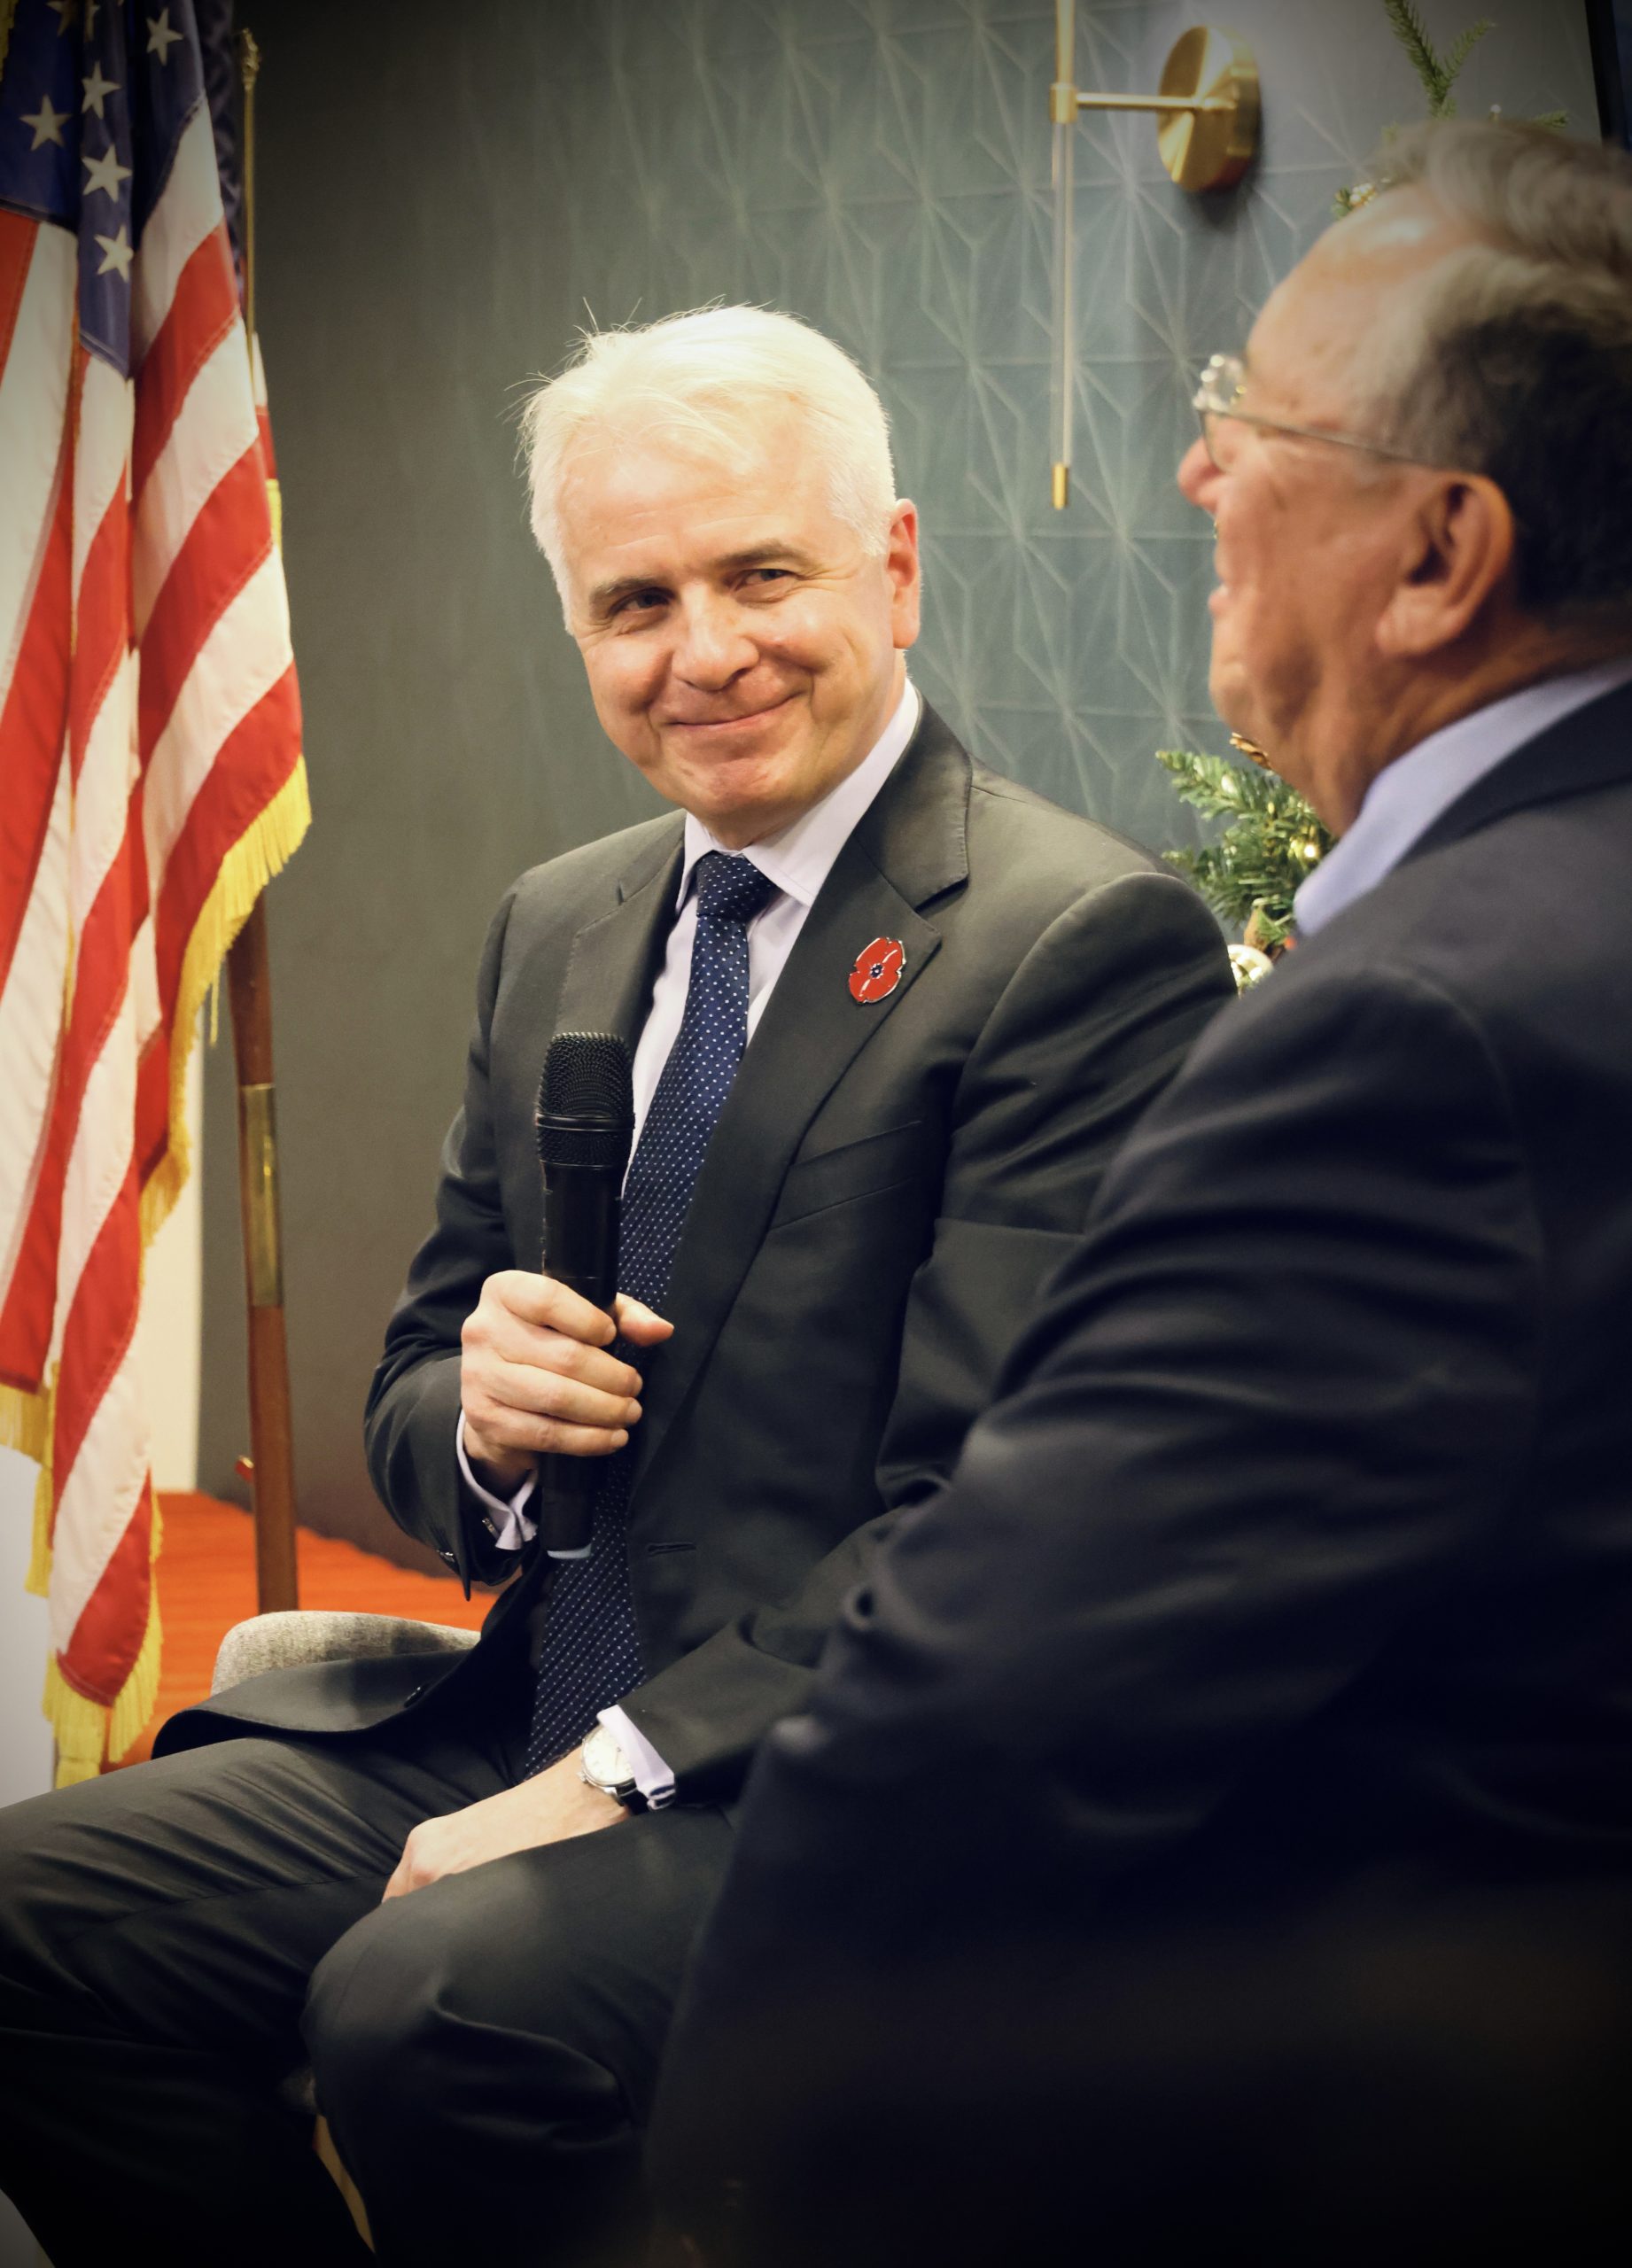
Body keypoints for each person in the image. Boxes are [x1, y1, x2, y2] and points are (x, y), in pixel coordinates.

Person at [0, 307, 1231, 2267]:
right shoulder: (561, 922)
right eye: (635, 602)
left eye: (762, 576)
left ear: (894, 567)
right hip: (525, 1704)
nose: (703, 652)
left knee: (426, 2001)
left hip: (836, 1781)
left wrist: (615, 1773)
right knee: (28, 1917)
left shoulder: (1073, 941)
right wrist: (484, 1426)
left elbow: (1007, 1520)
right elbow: (417, 1386)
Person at [649, 125, 1632, 2268]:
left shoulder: (1410, 1034)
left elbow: (986, 1715)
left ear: (1441, 553)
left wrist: (720, 2190)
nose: (1194, 476)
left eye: (1249, 427)